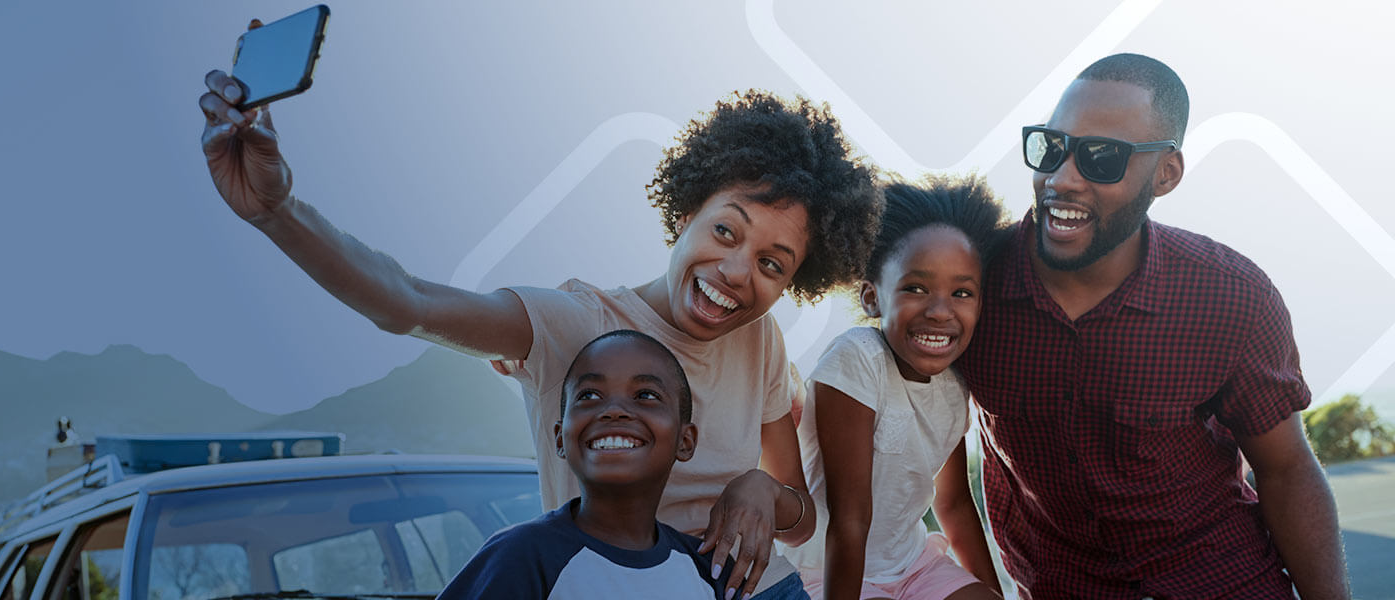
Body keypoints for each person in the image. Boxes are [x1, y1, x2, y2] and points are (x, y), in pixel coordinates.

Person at [199, 54, 882, 596]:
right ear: (684, 215)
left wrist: (760, 488)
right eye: (726, 231)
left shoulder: (757, 338)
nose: (738, 271)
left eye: (772, 262)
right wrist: (276, 212)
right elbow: (405, 301)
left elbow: (803, 517)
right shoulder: (575, 322)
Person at [955, 53, 1350, 598]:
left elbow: (1286, 472)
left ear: (1166, 174)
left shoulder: (1232, 296)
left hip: (1222, 582)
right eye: (1051, 146)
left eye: (1101, 157)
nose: (1062, 178)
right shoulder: (965, 287)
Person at [785, 175, 1007, 600]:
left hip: (912, 566)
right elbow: (850, 521)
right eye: (916, 288)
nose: (940, 311)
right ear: (872, 297)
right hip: (826, 571)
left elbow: (955, 504)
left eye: (962, 292)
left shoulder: (953, 386)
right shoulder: (857, 360)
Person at [439, 330, 731, 599]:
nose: (614, 411)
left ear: (685, 440)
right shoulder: (523, 555)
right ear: (559, 438)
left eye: (645, 395)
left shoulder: (709, 568)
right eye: (589, 395)